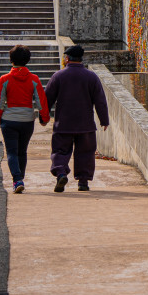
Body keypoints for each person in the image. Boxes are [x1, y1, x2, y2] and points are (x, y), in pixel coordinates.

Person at [45, 44, 109, 192]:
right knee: (85, 153)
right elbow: (100, 100)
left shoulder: (58, 76)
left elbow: (47, 98)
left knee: (60, 151)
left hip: (63, 124)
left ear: (67, 59)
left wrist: (44, 116)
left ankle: (61, 173)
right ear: (81, 59)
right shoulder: (91, 77)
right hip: (85, 124)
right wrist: (104, 120)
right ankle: (83, 182)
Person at [0, 44, 49, 194]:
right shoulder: (34, 79)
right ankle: (20, 178)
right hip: (27, 120)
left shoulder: (4, 79)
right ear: (27, 60)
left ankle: (17, 179)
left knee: (11, 152)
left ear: (11, 60)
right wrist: (44, 118)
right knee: (22, 151)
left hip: (9, 120)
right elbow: (41, 101)